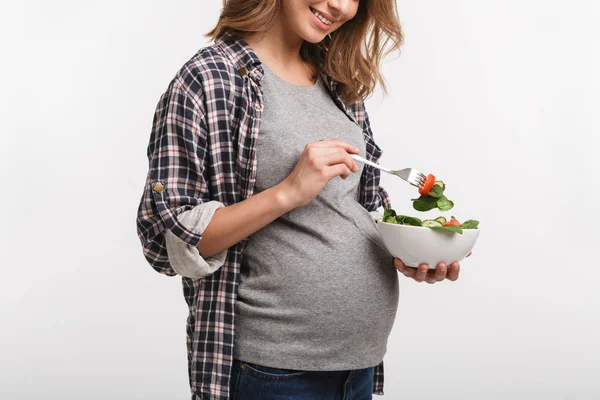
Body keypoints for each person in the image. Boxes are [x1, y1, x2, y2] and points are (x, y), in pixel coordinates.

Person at [136, 1, 461, 399]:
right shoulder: (210, 77)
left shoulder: (337, 81)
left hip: (357, 364)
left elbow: (359, 209)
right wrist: (288, 192)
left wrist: (410, 252)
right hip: (273, 371)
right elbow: (167, 237)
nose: (340, 6)